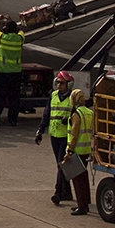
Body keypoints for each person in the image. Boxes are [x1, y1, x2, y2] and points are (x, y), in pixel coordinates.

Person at [42, 70, 77, 204]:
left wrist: (68, 120)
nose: (59, 85)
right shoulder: (53, 95)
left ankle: (58, 192)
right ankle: (66, 192)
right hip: (54, 135)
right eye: (57, 82)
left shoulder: (73, 98)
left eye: (62, 83)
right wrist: (40, 129)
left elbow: (76, 116)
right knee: (60, 165)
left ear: (69, 85)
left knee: (62, 165)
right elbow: (47, 113)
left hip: (65, 136)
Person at [0, 18, 25, 127]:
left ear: (5, 29)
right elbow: (21, 31)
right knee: (14, 98)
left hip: (2, 72)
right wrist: (11, 21)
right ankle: (13, 120)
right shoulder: (20, 39)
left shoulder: (2, 38)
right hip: (16, 72)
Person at [66, 88, 95, 214]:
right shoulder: (89, 112)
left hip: (77, 150)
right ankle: (85, 203)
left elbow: (74, 134)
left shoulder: (76, 114)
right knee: (83, 178)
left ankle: (81, 206)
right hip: (86, 149)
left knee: (77, 179)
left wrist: (69, 150)